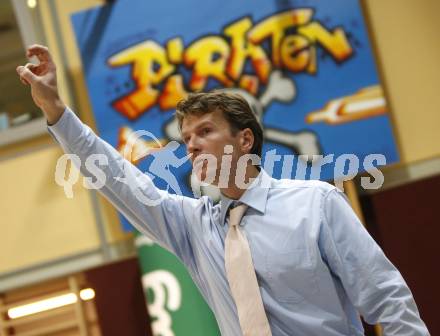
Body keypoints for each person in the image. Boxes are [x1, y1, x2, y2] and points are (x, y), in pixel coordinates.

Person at [17, 44, 429, 336]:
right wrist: (56, 111)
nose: (191, 144)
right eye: (186, 136)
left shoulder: (316, 204)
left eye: (205, 131)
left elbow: (386, 298)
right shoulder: (193, 227)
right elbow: (117, 178)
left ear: (245, 140)